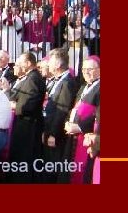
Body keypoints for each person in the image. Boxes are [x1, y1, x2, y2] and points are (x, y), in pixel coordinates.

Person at [3, 51, 46, 183]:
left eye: (20, 63)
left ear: (28, 63)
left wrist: (15, 106)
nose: (18, 65)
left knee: (24, 159)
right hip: (25, 125)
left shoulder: (33, 78)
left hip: (28, 127)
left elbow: (30, 104)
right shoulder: (30, 77)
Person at [62, 55, 100, 184]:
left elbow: (97, 114)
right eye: (83, 70)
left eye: (90, 69)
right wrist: (68, 122)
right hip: (74, 134)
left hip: (86, 136)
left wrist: (80, 127)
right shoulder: (84, 86)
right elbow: (74, 108)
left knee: (84, 173)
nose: (86, 72)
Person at [42, 48, 78, 183]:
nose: (48, 64)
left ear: (57, 64)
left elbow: (62, 111)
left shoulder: (67, 82)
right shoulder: (59, 80)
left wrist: (52, 134)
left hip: (56, 135)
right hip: (49, 130)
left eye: (50, 62)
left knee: (52, 169)